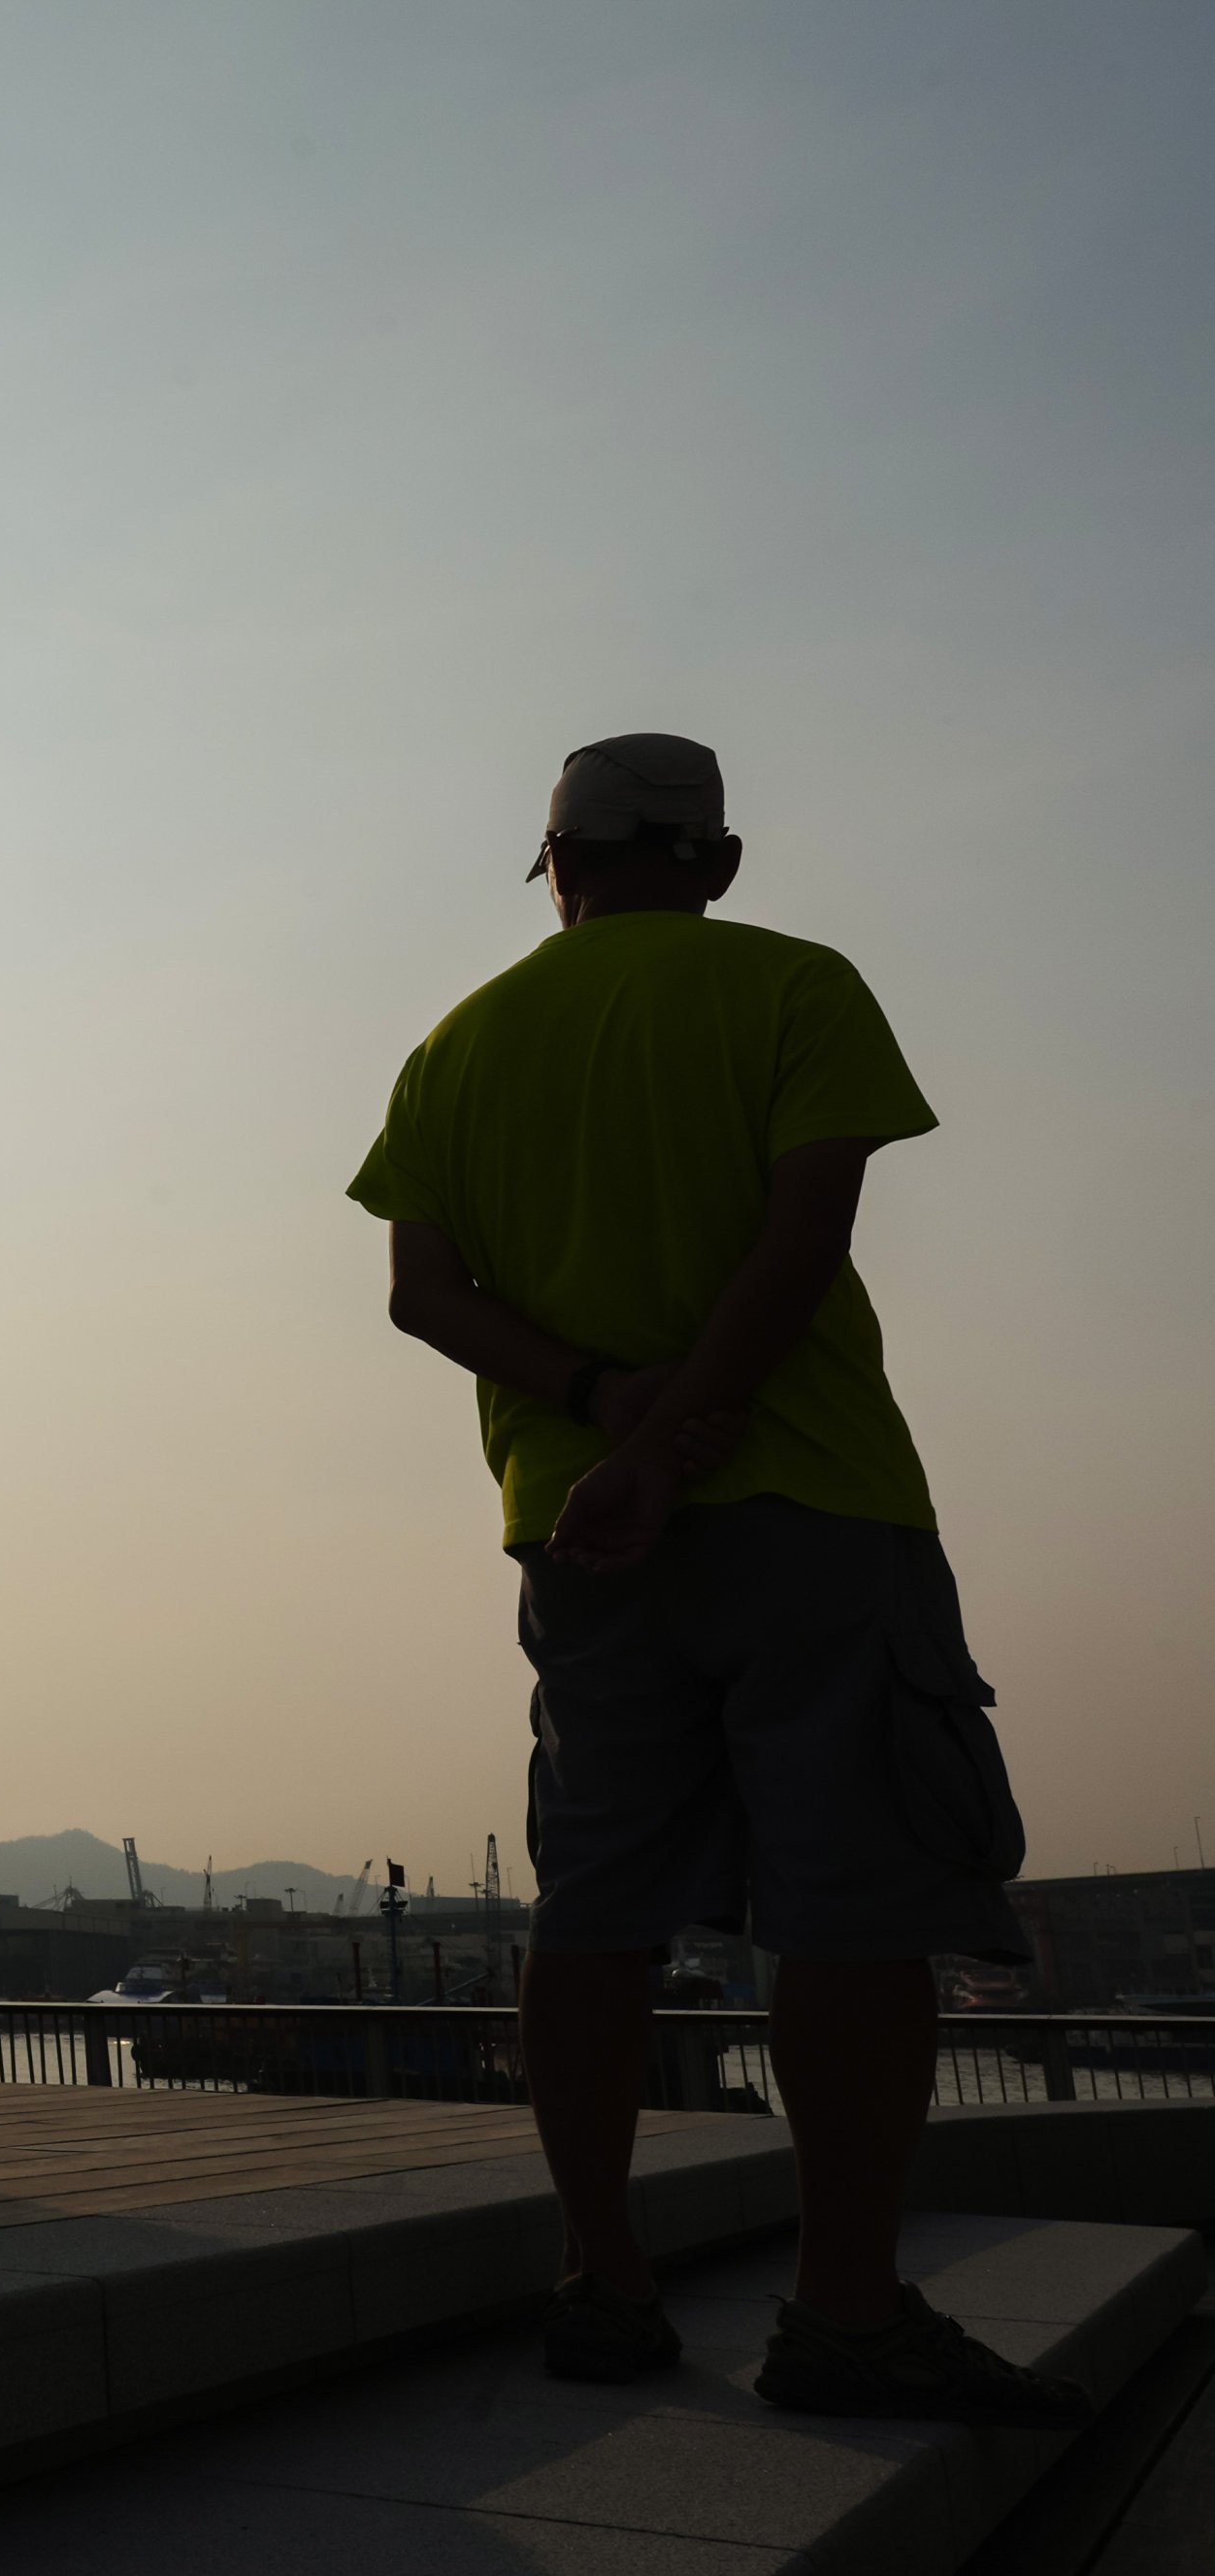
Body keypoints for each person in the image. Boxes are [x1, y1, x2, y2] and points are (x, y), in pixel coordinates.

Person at [349, 735, 1084, 2423]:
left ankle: (601, 2280)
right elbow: (800, 1237)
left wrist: (604, 1419)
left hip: (576, 1532)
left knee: (595, 1907)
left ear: (556, 870)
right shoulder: (792, 986)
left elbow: (422, 1295)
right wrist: (681, 1442)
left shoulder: (458, 1046)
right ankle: (843, 2309)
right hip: (810, 1505)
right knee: (851, 1906)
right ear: (723, 860)